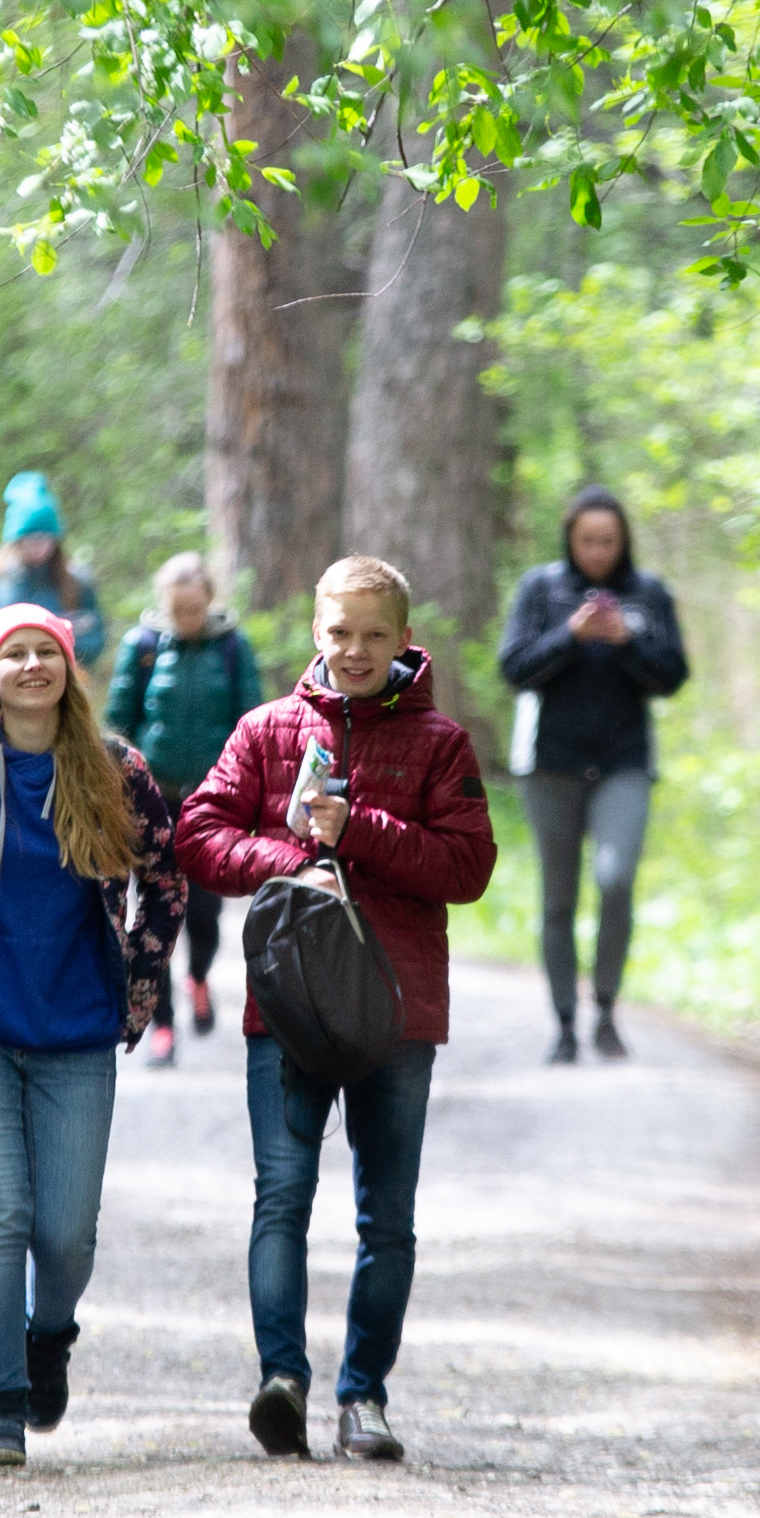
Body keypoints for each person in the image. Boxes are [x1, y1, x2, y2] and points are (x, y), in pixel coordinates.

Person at [174, 555, 497, 1464]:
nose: (354, 651)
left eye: (373, 635)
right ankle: (284, 1380)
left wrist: (358, 832)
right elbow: (198, 831)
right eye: (339, 633)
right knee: (281, 1195)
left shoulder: (439, 743)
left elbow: (467, 867)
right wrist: (291, 860)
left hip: (398, 1011)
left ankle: (365, 1399)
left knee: (384, 1217)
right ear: (316, 633)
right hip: (288, 1002)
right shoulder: (267, 730)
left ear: (403, 638)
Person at [0, 604, 184, 1469]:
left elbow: (166, 878)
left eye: (45, 652)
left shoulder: (114, 769)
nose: (31, 666)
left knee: (65, 1235)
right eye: (13, 655)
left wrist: (137, 992)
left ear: (68, 666)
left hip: (75, 1029)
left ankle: (47, 1335)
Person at [497, 483, 690, 1064]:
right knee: (558, 899)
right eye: (587, 541)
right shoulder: (542, 588)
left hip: (623, 764)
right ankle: (563, 1023)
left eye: (608, 541)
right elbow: (515, 668)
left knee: (614, 879)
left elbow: (673, 675)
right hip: (549, 765)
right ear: (570, 540)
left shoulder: (648, 593)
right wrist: (571, 637)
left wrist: (627, 640)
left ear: (624, 540)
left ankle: (605, 1009)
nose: (598, 551)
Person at [106, 552, 269, 1069]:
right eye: (178, 610)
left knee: (204, 911)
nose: (187, 619)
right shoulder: (144, 647)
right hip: (152, 800)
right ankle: (162, 1024)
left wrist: (251, 792)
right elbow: (118, 723)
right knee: (154, 908)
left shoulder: (232, 648)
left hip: (214, 801)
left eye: (194, 609)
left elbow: (253, 723)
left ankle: (199, 976)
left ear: (210, 600)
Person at [0, 469, 108, 663]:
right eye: (31, 539)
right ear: (16, 540)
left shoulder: (76, 579)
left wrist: (55, 641)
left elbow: (96, 638)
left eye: (45, 538)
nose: (39, 546)